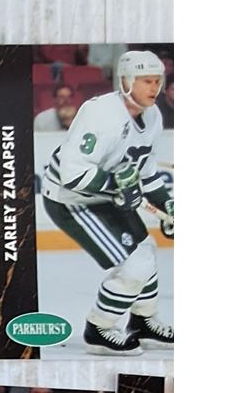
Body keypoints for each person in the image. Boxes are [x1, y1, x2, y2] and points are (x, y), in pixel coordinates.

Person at [41, 50, 174, 351]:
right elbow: (72, 175)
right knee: (136, 266)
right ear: (125, 81)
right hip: (72, 200)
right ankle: (99, 329)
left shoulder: (153, 116)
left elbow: (145, 171)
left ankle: (143, 322)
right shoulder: (101, 114)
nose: (154, 87)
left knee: (146, 251)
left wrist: (167, 205)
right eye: (146, 81)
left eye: (157, 80)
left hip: (107, 196)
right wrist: (116, 185)